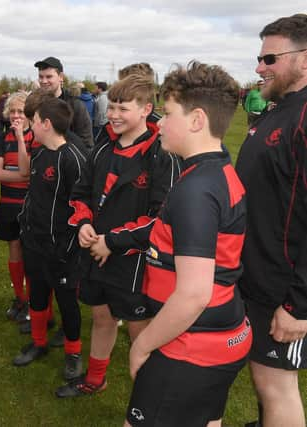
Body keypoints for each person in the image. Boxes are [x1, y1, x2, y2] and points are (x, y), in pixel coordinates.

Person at [122, 61, 251, 427]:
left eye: (167, 113)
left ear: (196, 120)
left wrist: (142, 344)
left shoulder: (196, 189)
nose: (159, 123)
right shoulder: (221, 169)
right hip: (222, 336)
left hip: (191, 346)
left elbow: (194, 294)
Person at [56, 74, 179, 398]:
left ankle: (150, 400)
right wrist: (83, 223)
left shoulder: (161, 155)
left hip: (135, 261)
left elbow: (161, 218)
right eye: (111, 107)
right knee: (101, 315)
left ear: (146, 109)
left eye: (123, 108)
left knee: (140, 332)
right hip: (97, 252)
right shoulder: (102, 148)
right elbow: (81, 193)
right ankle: (96, 379)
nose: (113, 114)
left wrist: (112, 242)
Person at [235, 14, 307, 427]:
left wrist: (298, 304)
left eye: (269, 58)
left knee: (277, 386)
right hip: (256, 278)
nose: (259, 66)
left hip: (285, 289)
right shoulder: (276, 112)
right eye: (259, 57)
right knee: (264, 381)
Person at [12, 97, 86, 383]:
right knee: (38, 296)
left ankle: (73, 354)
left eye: (34, 121)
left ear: (46, 124)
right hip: (34, 243)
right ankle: (39, 343)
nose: (30, 125)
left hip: (63, 249)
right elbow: (34, 194)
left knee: (68, 303)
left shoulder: (73, 158)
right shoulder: (40, 154)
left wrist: (70, 243)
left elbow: (82, 205)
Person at [0, 91, 34, 323]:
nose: (16, 116)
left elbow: (28, 171)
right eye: (13, 111)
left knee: (30, 253)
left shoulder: (36, 137)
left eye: (21, 111)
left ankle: (32, 299)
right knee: (14, 249)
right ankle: (19, 298)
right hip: (8, 203)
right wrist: (23, 176)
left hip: (30, 205)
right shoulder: (0, 138)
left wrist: (19, 139)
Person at [34, 57, 94, 149]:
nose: (44, 81)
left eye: (49, 77)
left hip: (68, 160)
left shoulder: (75, 105)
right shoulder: (36, 104)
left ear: (61, 77)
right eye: (41, 77)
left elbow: (86, 142)